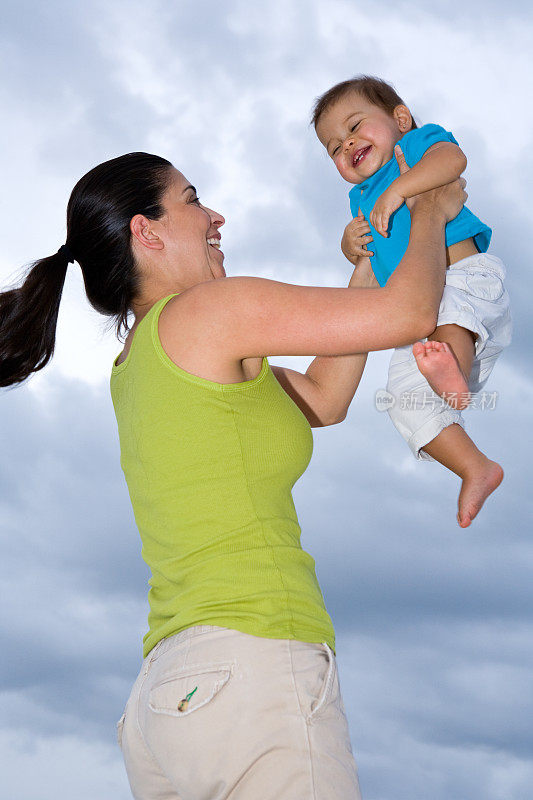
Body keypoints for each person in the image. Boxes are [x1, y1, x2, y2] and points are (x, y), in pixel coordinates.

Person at [0, 150, 467, 799]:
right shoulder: (213, 310)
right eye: (192, 199)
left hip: (172, 702)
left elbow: (321, 400)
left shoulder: (144, 360)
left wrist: (367, 256)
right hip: (252, 668)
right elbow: (412, 313)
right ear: (147, 230)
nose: (215, 216)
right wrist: (429, 209)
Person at [312, 75, 512, 529]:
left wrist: (401, 189)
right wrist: (350, 244)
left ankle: (453, 376)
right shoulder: (359, 199)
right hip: (419, 313)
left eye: (355, 126)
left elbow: (453, 159)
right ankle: (474, 466)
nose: (346, 144)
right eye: (334, 147)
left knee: (450, 326)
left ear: (400, 118)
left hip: (464, 278)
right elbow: (369, 254)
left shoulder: (415, 147)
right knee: (403, 398)